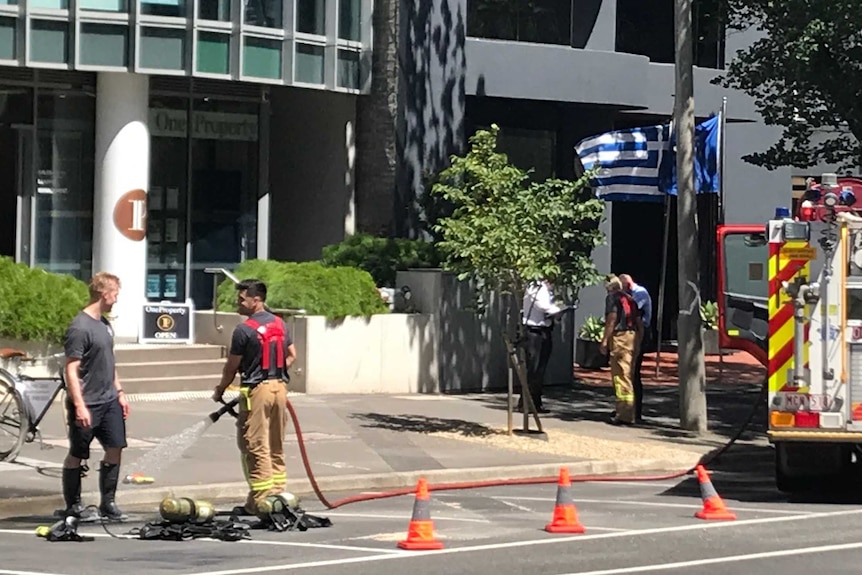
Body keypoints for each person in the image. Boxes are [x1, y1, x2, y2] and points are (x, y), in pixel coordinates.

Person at [213, 279, 297, 514]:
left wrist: (221, 389)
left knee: (255, 445)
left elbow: (231, 367)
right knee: (276, 444)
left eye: (242, 299)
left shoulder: (244, 330)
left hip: (256, 392)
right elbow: (292, 355)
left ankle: (261, 501)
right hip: (279, 389)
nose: (237, 303)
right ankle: (278, 494)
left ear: (256, 300)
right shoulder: (279, 324)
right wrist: (277, 373)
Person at [62, 272, 130, 521]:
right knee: (78, 454)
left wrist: (120, 392)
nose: (117, 298)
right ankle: (73, 504)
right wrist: (79, 405)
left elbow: (109, 363)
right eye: (115, 293)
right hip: (88, 402)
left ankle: (108, 502)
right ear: (104, 294)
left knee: (115, 447)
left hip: (109, 399)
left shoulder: (104, 324)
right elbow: (71, 368)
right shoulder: (80, 327)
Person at [600, 275, 643, 426]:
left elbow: (612, 319)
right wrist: (638, 341)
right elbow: (639, 322)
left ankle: (624, 414)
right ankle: (629, 411)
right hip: (632, 337)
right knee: (628, 374)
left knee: (620, 376)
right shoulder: (630, 299)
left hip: (620, 337)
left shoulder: (612, 298)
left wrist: (605, 340)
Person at [520, 279, 566, 414]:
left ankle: (535, 402)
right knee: (533, 368)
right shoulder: (536, 286)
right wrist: (558, 310)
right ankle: (527, 403)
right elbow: (542, 305)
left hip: (544, 329)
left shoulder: (545, 289)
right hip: (534, 330)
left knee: (540, 369)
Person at [620, 274, 652, 424]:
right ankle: (626, 407)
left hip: (641, 332)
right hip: (631, 331)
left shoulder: (640, 293)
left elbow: (634, 312)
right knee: (627, 372)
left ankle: (636, 410)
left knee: (634, 372)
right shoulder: (631, 293)